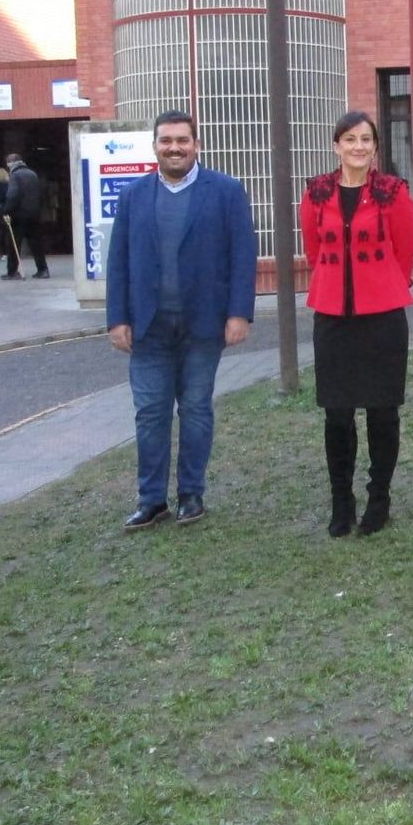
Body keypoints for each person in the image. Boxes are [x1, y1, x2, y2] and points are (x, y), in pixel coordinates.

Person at [106, 111, 258, 531]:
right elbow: (118, 260)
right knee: (150, 413)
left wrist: (239, 313)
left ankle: (192, 494)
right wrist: (116, 318)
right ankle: (151, 500)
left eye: (182, 140)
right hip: (149, 328)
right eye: (166, 140)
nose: (174, 147)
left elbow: (242, 256)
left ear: (197, 145)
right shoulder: (133, 196)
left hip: (203, 325)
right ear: (154, 146)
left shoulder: (226, 192)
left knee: (194, 409)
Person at [300, 110, 413, 537]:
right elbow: (313, 252)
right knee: (337, 415)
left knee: (382, 413)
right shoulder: (316, 192)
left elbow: (405, 251)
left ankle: (379, 499)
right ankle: (341, 501)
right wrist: (335, 284)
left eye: (366, 139)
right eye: (350, 139)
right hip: (333, 317)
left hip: (382, 318)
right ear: (337, 146)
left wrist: (380, 285)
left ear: (375, 147)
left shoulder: (392, 191)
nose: (358, 147)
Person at [0, 152, 49, 280]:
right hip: (34, 214)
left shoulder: (15, 176)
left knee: (13, 244)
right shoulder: (33, 174)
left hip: (18, 215)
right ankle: (43, 269)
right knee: (36, 244)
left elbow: (13, 195)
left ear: (10, 164)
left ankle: (12, 272)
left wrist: (6, 211)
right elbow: (41, 193)